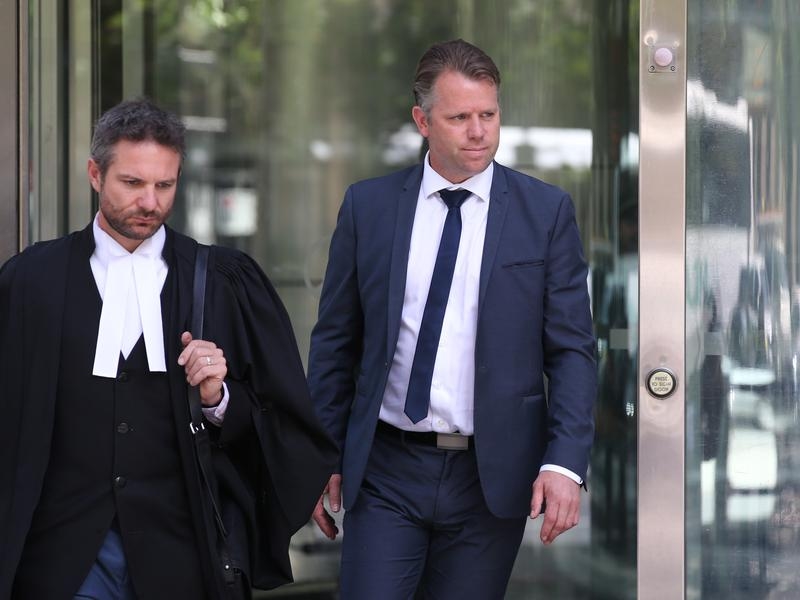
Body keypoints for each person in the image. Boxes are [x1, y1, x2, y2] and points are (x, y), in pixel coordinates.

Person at [0, 98, 338, 599]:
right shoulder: (32, 280)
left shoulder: (223, 282)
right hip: (63, 554)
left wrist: (218, 398)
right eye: (132, 183)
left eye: (165, 185)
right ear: (95, 175)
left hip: (182, 554)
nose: (149, 202)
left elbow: (278, 415)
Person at [308, 39, 596, 599]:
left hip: (491, 475)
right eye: (459, 117)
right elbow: (336, 344)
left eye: (488, 114)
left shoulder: (545, 212)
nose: (478, 131)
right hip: (387, 467)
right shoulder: (369, 207)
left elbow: (572, 352)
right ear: (423, 121)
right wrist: (321, 456)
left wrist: (564, 463)